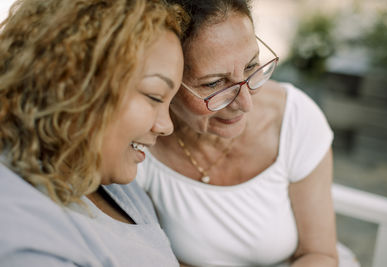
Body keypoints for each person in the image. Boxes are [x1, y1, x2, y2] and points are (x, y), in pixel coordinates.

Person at [133, 0, 342, 266]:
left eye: (251, 66)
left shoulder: (296, 119)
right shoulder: (140, 142)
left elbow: (320, 254)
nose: (246, 104)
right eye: (214, 83)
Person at [0, 0, 186, 266]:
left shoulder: (107, 177)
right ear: (74, 83)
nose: (166, 126)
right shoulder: (23, 237)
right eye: (154, 96)